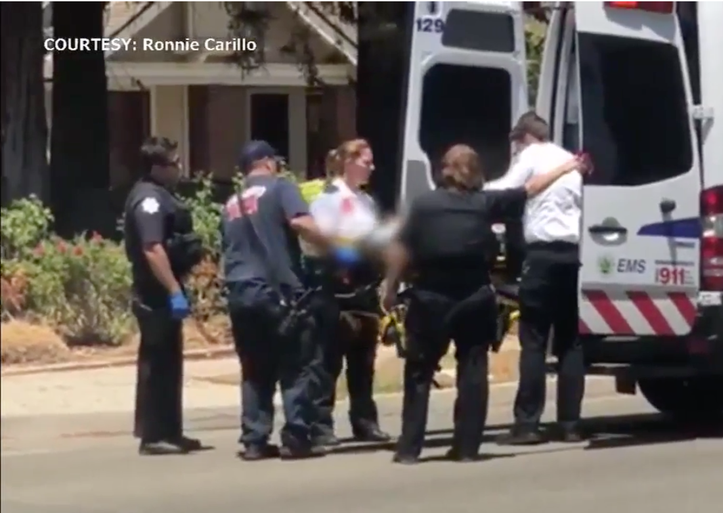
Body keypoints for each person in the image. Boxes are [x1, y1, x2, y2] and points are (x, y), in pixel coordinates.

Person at [382, 144, 586, 464]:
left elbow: (400, 250)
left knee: (419, 372)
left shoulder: (422, 205)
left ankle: (409, 448)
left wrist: (391, 289)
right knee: (473, 369)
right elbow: (530, 189)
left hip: (430, 297)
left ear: (444, 170)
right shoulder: (483, 203)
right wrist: (565, 168)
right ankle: (467, 447)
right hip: (474, 297)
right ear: (474, 173)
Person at [221, 140, 351, 461]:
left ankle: (255, 439)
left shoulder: (230, 203)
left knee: (254, 368)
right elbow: (301, 223)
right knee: (297, 363)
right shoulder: (280, 188)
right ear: (267, 162)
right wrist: (336, 247)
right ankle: (296, 436)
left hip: (240, 293)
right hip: (276, 291)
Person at [485, 111, 589, 445]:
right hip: (572, 255)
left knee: (534, 341)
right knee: (570, 341)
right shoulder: (570, 162)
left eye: (516, 143)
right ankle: (571, 423)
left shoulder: (531, 156)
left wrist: (469, 192)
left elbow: (506, 189)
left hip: (541, 256)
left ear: (525, 137)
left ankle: (527, 424)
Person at [305, 139, 392, 447]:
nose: (371, 167)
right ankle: (320, 424)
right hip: (337, 284)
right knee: (328, 359)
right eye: (366, 162)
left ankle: (365, 421)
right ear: (348, 162)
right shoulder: (329, 197)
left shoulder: (366, 201)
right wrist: (344, 260)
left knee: (363, 360)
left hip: (366, 284)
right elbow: (322, 240)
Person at [124, 137, 206, 455]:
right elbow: (152, 247)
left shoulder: (162, 195)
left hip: (166, 288)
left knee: (170, 362)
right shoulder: (148, 200)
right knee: (156, 363)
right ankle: (153, 435)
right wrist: (173, 290)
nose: (179, 167)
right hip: (155, 291)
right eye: (174, 162)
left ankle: (171, 430)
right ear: (157, 167)